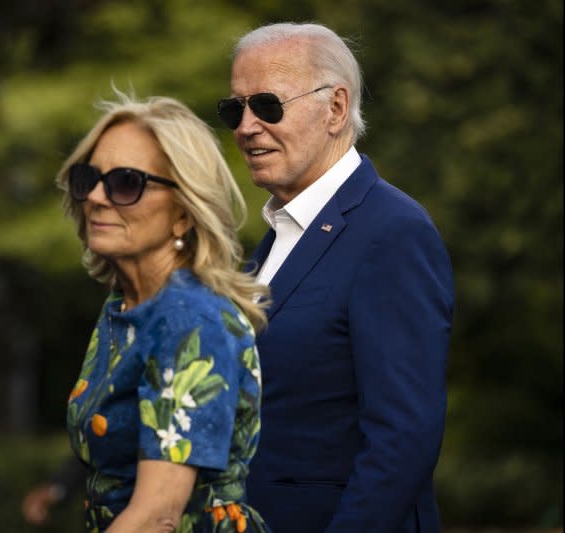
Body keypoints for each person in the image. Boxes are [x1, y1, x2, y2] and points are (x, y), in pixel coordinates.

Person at [215, 22, 455, 532]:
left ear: (336, 108)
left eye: (268, 105)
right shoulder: (276, 237)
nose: (246, 126)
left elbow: (403, 440)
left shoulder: (392, 232)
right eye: (235, 109)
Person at [53, 91, 273, 532]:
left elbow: (158, 514)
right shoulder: (125, 306)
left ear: (183, 215)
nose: (96, 196)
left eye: (126, 182)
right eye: (88, 178)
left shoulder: (191, 321)